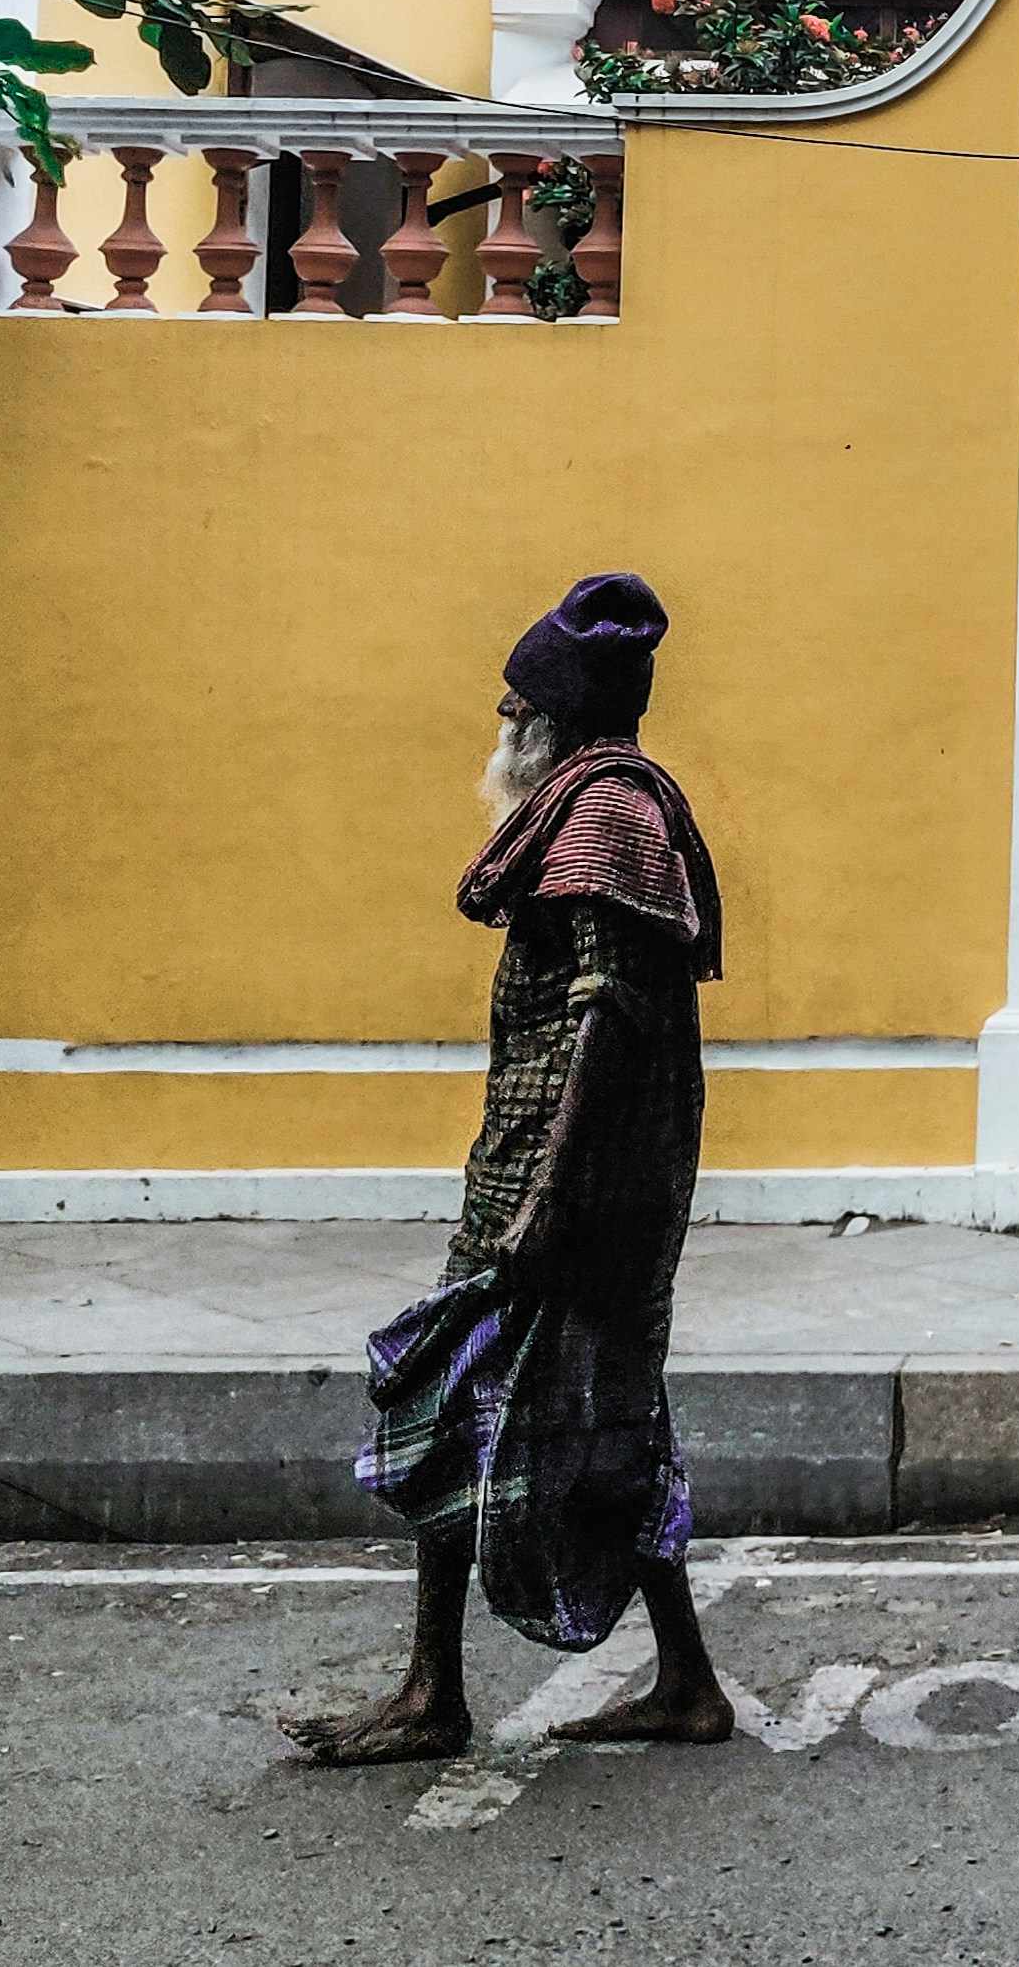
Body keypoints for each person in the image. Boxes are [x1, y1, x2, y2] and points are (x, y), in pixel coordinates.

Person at [283, 572, 733, 1766]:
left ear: (549, 721)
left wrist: (545, 1197)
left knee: (446, 1403)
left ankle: (435, 1692)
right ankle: (683, 1681)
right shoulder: (594, 808)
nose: (498, 727)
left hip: (563, 1189)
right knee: (608, 1424)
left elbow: (604, 1016)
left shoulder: (599, 817)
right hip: (554, 1176)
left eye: (509, 707)